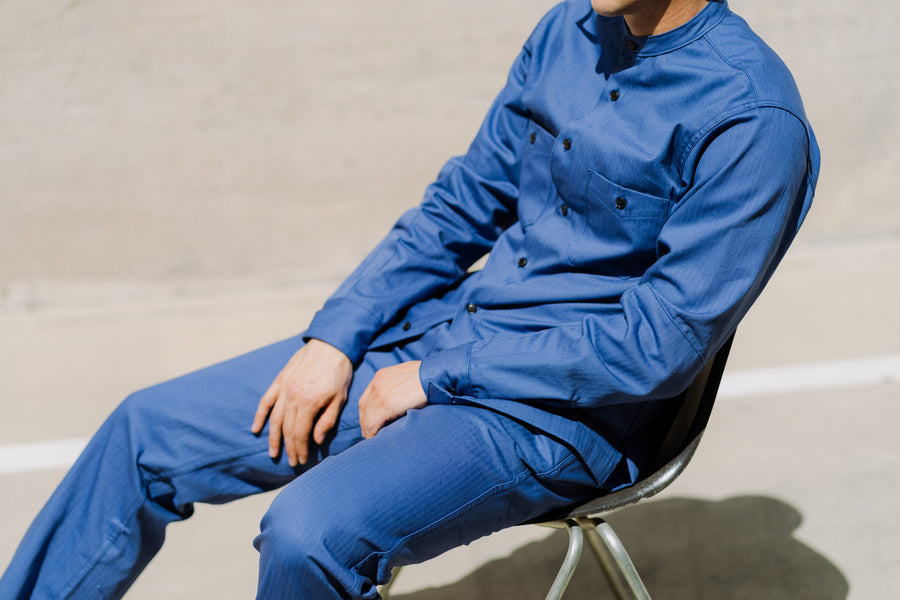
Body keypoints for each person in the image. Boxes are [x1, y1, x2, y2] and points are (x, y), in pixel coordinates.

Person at [0, 0, 819, 598]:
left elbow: (657, 345)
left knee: (309, 533)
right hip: (448, 335)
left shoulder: (752, 115)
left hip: (561, 416)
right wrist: (336, 339)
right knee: (146, 432)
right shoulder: (567, 29)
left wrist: (442, 375)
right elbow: (463, 204)